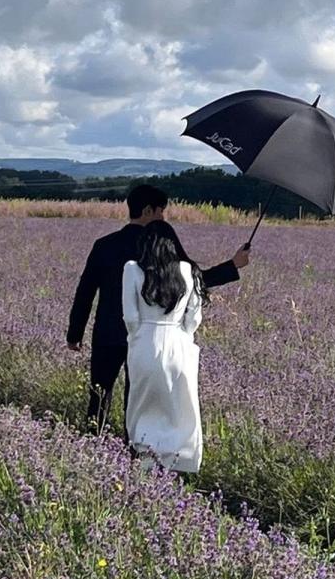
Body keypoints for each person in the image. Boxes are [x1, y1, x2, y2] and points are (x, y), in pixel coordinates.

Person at [66, 184, 249, 438]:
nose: (163, 217)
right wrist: (232, 265)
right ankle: (135, 446)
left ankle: (91, 440)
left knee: (99, 392)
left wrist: (74, 334)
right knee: (138, 396)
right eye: (161, 211)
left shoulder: (104, 245)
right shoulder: (161, 246)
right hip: (146, 337)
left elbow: (85, 292)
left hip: (107, 333)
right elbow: (193, 280)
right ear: (147, 210)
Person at [122, 221, 205, 471]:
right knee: (180, 405)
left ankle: (145, 458)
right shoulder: (188, 270)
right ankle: (178, 461)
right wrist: (183, 334)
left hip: (146, 340)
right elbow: (194, 318)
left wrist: (137, 338)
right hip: (179, 343)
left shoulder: (132, 269)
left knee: (142, 403)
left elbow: (130, 317)